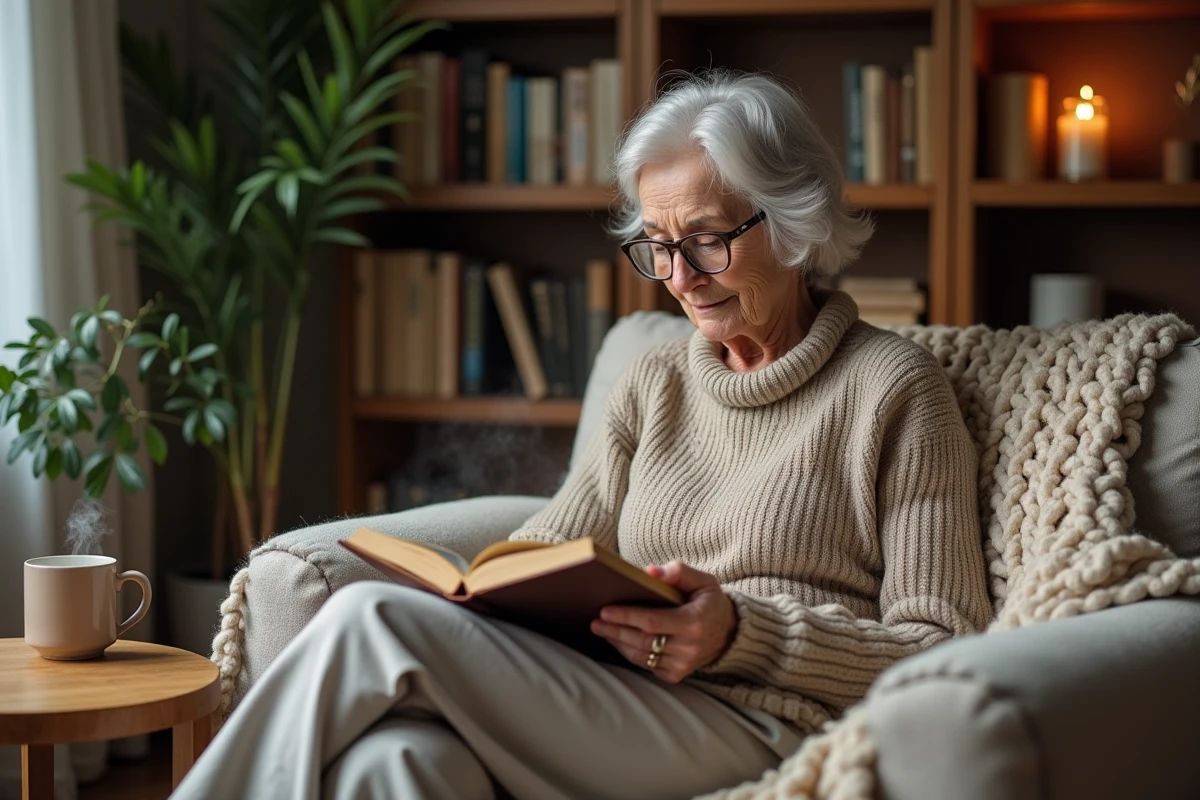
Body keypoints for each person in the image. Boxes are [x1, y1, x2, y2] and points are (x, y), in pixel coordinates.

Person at [171, 69, 992, 800]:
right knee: (396, 764)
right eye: (658, 246)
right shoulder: (655, 382)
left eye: (706, 240)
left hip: (772, 723)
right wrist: (479, 594)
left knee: (368, 620)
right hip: (623, 697)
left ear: (791, 222)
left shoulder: (895, 390)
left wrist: (741, 632)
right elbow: (554, 540)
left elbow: (942, 652)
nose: (679, 277)